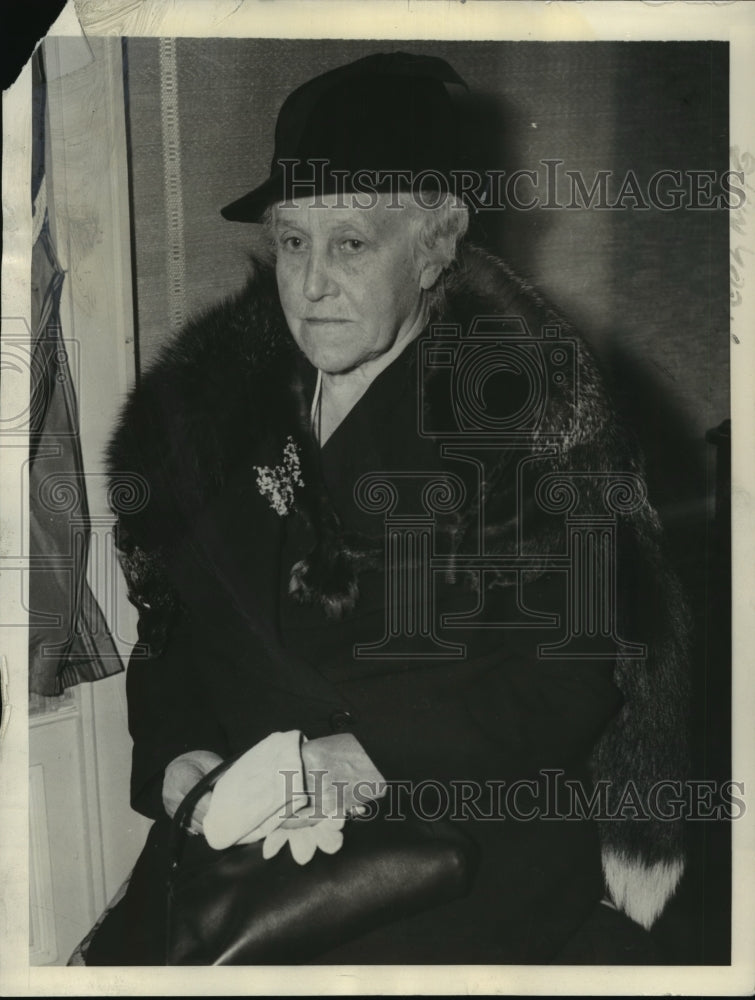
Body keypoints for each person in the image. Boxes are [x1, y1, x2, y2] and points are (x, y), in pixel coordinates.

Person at [86, 52, 690, 965]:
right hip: (257, 869)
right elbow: (170, 631)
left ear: (437, 246)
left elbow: (567, 682)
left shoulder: (520, 421)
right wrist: (179, 762)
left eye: (352, 244)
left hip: (458, 872)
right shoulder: (219, 413)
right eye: (293, 242)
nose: (312, 282)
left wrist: (362, 759)